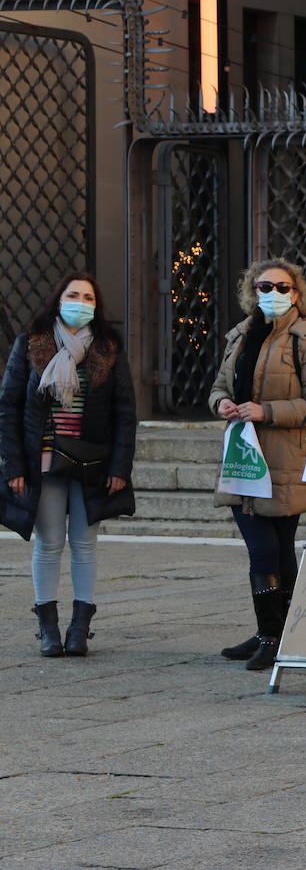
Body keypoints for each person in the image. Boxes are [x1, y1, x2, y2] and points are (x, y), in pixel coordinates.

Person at [0, 272, 137, 657]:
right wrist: (13, 467)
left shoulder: (108, 348)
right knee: (48, 543)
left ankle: (79, 629)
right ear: (58, 300)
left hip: (93, 460)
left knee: (84, 543)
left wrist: (119, 469)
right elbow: (8, 407)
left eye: (88, 297)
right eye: (73, 295)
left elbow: (125, 412)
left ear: (97, 305)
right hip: (43, 459)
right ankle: (48, 629)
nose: (81, 303)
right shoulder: (31, 345)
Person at [207, 259, 306, 670]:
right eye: (264, 286)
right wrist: (220, 403)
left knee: (274, 548)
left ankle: (277, 634)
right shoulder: (240, 335)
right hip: (243, 454)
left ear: (296, 293)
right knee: (264, 548)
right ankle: (272, 633)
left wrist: (267, 411)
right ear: (251, 291)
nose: (272, 294)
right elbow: (220, 384)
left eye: (282, 287)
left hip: (285, 456)